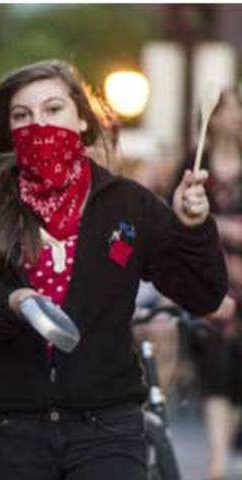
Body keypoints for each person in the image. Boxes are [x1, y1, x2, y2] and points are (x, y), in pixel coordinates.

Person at [0, 59, 228, 479]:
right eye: (22, 116)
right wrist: (8, 305)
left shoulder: (127, 204)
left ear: (82, 119)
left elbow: (203, 294)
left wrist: (193, 229)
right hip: (9, 432)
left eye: (53, 109)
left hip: (107, 430)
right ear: (9, 131)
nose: (39, 124)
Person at [170, 88, 242, 480]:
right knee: (215, 362)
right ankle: (217, 459)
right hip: (214, 280)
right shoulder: (195, 163)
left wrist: (224, 227)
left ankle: (225, 449)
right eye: (226, 111)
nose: (234, 118)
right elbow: (175, 214)